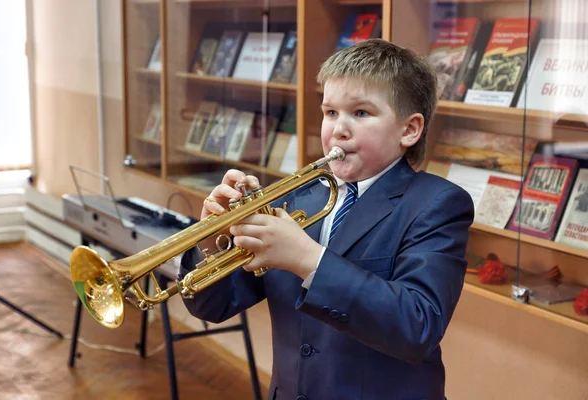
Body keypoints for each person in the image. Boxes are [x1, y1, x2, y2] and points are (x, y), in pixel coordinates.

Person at [179, 39, 474, 400]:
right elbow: (212, 306)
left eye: (361, 113)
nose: (339, 129)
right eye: (330, 112)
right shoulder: (298, 196)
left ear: (409, 130)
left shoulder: (438, 204)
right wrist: (212, 240)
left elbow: (418, 327)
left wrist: (308, 259)